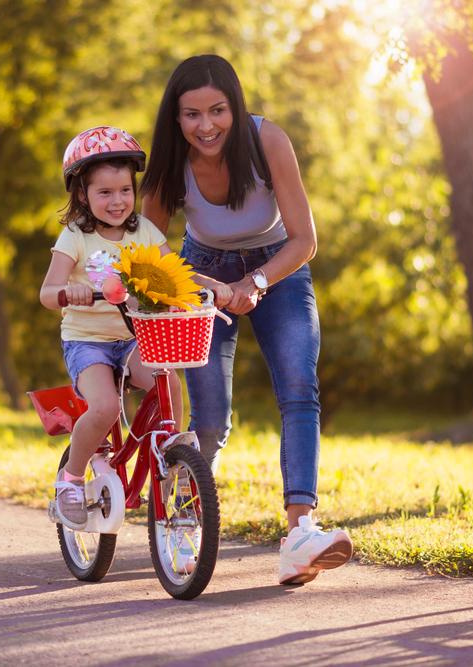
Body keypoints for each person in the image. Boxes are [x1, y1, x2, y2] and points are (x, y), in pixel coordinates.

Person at [140, 54, 352, 585]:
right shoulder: (171, 164)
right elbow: (148, 245)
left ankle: (300, 533)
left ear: (235, 107)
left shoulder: (268, 141)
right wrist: (196, 286)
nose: (206, 126)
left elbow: (305, 240)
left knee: (300, 389)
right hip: (202, 272)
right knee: (210, 422)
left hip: (278, 268)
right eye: (191, 115)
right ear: (176, 118)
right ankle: (183, 522)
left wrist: (254, 283)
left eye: (217, 111)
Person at [39, 126, 230, 530]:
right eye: (104, 193)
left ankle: (172, 447)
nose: (117, 201)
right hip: (87, 342)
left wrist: (214, 289)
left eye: (124, 190)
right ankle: (70, 480)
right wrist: (67, 292)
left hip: (132, 337)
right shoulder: (75, 237)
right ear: (82, 195)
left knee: (165, 376)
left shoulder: (144, 232)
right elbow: (46, 291)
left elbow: (174, 272)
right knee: (106, 407)